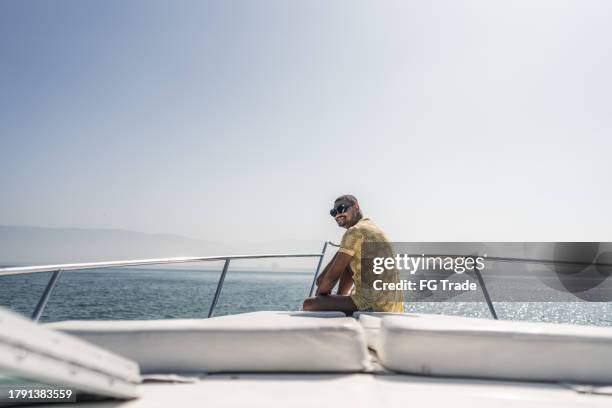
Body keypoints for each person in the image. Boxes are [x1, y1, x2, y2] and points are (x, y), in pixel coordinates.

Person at [302, 195, 404, 314]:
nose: (337, 215)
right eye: (333, 212)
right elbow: (321, 280)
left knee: (309, 304)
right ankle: (340, 297)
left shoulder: (354, 232)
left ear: (356, 207)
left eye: (342, 208)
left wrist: (319, 300)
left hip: (374, 304)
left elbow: (330, 278)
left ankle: (337, 304)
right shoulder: (371, 227)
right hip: (393, 305)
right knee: (346, 261)